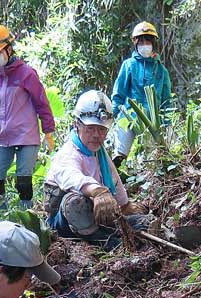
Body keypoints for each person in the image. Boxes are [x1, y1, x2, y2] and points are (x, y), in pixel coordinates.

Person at [43, 90, 151, 251]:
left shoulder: (99, 152)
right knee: (75, 202)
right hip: (65, 224)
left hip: (98, 219)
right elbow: (72, 177)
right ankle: (109, 243)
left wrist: (125, 205)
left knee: (144, 222)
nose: (96, 135)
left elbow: (114, 177)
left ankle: (118, 235)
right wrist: (98, 191)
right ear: (76, 125)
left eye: (101, 129)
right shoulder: (67, 154)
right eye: (90, 128)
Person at [0, 24, 56, 211]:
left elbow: (42, 104)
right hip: (1, 137)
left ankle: (26, 217)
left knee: (23, 183)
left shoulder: (27, 74)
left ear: (9, 48)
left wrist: (48, 132)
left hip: (25, 135)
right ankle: (1, 217)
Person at [110, 21, 173, 168]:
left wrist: (167, 122)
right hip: (129, 117)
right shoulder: (129, 65)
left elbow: (166, 100)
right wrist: (112, 115)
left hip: (153, 122)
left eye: (148, 41)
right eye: (141, 41)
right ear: (136, 43)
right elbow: (118, 94)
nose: (145, 45)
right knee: (119, 155)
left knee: (151, 160)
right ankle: (115, 182)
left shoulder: (162, 71)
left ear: (153, 43)